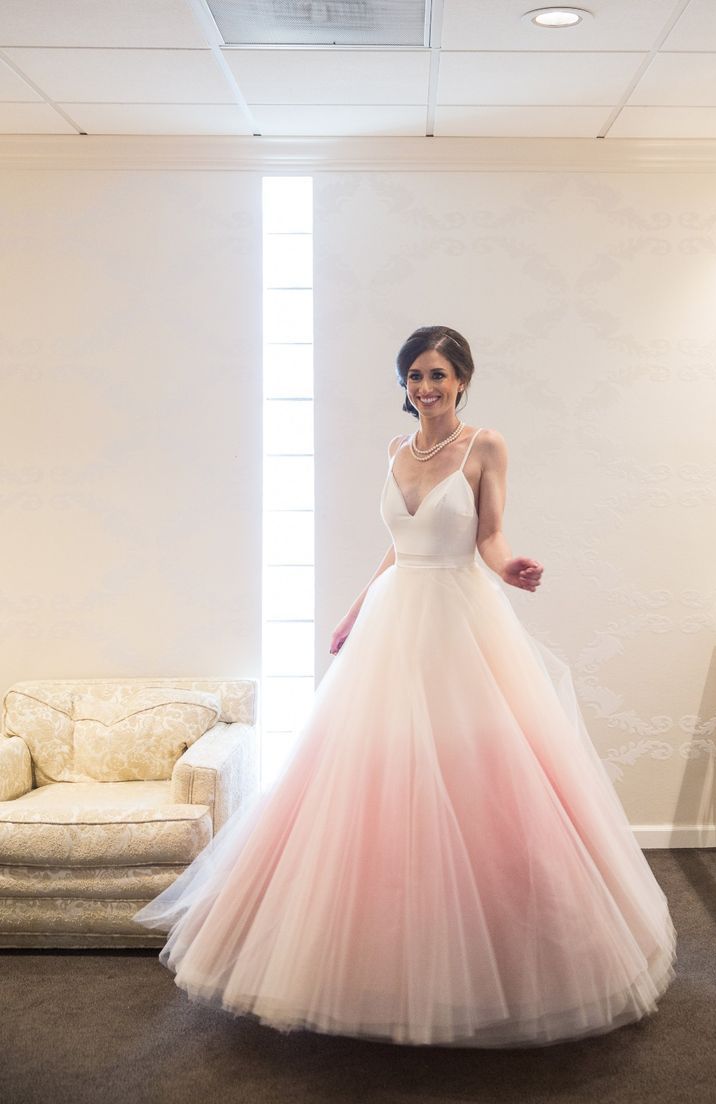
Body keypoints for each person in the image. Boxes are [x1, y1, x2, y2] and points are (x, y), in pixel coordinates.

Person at [133, 325, 677, 1049]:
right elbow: (399, 546)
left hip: (462, 622)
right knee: (373, 780)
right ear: (404, 385)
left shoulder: (486, 446)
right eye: (415, 375)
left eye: (439, 375)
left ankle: (499, 957)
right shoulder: (396, 452)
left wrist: (509, 567)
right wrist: (358, 611)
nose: (426, 387)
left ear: (463, 381)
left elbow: (488, 536)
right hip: (394, 623)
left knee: (480, 777)